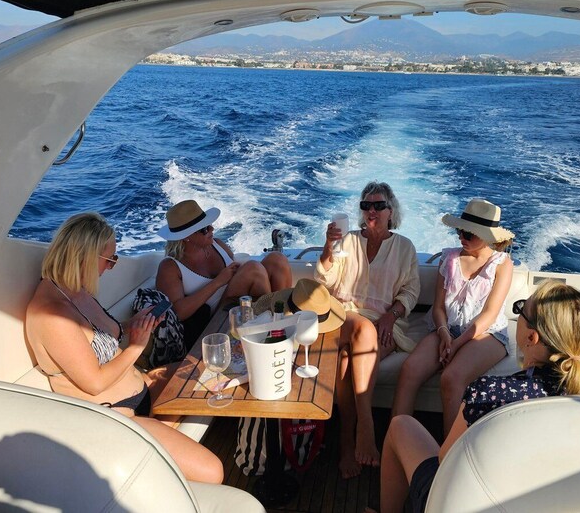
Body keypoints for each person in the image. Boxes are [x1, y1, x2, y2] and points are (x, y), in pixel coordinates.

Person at [379, 281, 580, 513]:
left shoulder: (488, 394)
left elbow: (446, 461)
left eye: (521, 310)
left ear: (531, 338)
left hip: (470, 504)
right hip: (557, 503)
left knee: (401, 425)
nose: (518, 315)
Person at [25, 212, 224, 484]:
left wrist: (135, 324)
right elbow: (94, 383)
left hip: (141, 389)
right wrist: (137, 346)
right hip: (119, 416)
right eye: (110, 259)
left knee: (206, 370)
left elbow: (109, 334)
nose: (111, 267)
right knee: (213, 471)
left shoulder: (77, 291)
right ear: (85, 257)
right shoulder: (52, 315)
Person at [316, 182, 420, 478]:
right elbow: (324, 280)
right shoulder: (347, 240)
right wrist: (328, 248)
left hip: (384, 322)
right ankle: (367, 425)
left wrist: (391, 316)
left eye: (378, 205)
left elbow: (411, 291)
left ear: (391, 211)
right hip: (343, 316)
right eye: (366, 206)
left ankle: (347, 443)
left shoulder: (404, 247)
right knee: (362, 328)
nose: (371, 211)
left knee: (346, 361)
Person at [391, 198, 514, 438]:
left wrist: (456, 344)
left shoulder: (502, 264)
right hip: (446, 328)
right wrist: (444, 334)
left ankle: (450, 452)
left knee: (451, 378)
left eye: (469, 233)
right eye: (460, 231)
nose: (461, 237)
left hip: (487, 334)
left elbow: (489, 314)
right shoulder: (448, 259)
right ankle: (396, 441)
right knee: (409, 370)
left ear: (487, 236)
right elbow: (438, 307)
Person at [156, 199, 291, 350]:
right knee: (253, 269)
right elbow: (177, 312)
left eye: (209, 225)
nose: (212, 229)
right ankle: (271, 332)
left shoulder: (217, 244)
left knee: (277, 260)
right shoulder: (170, 267)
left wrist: (236, 272)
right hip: (214, 318)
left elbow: (238, 277)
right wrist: (218, 281)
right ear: (186, 237)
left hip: (238, 303)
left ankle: (283, 321)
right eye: (204, 229)